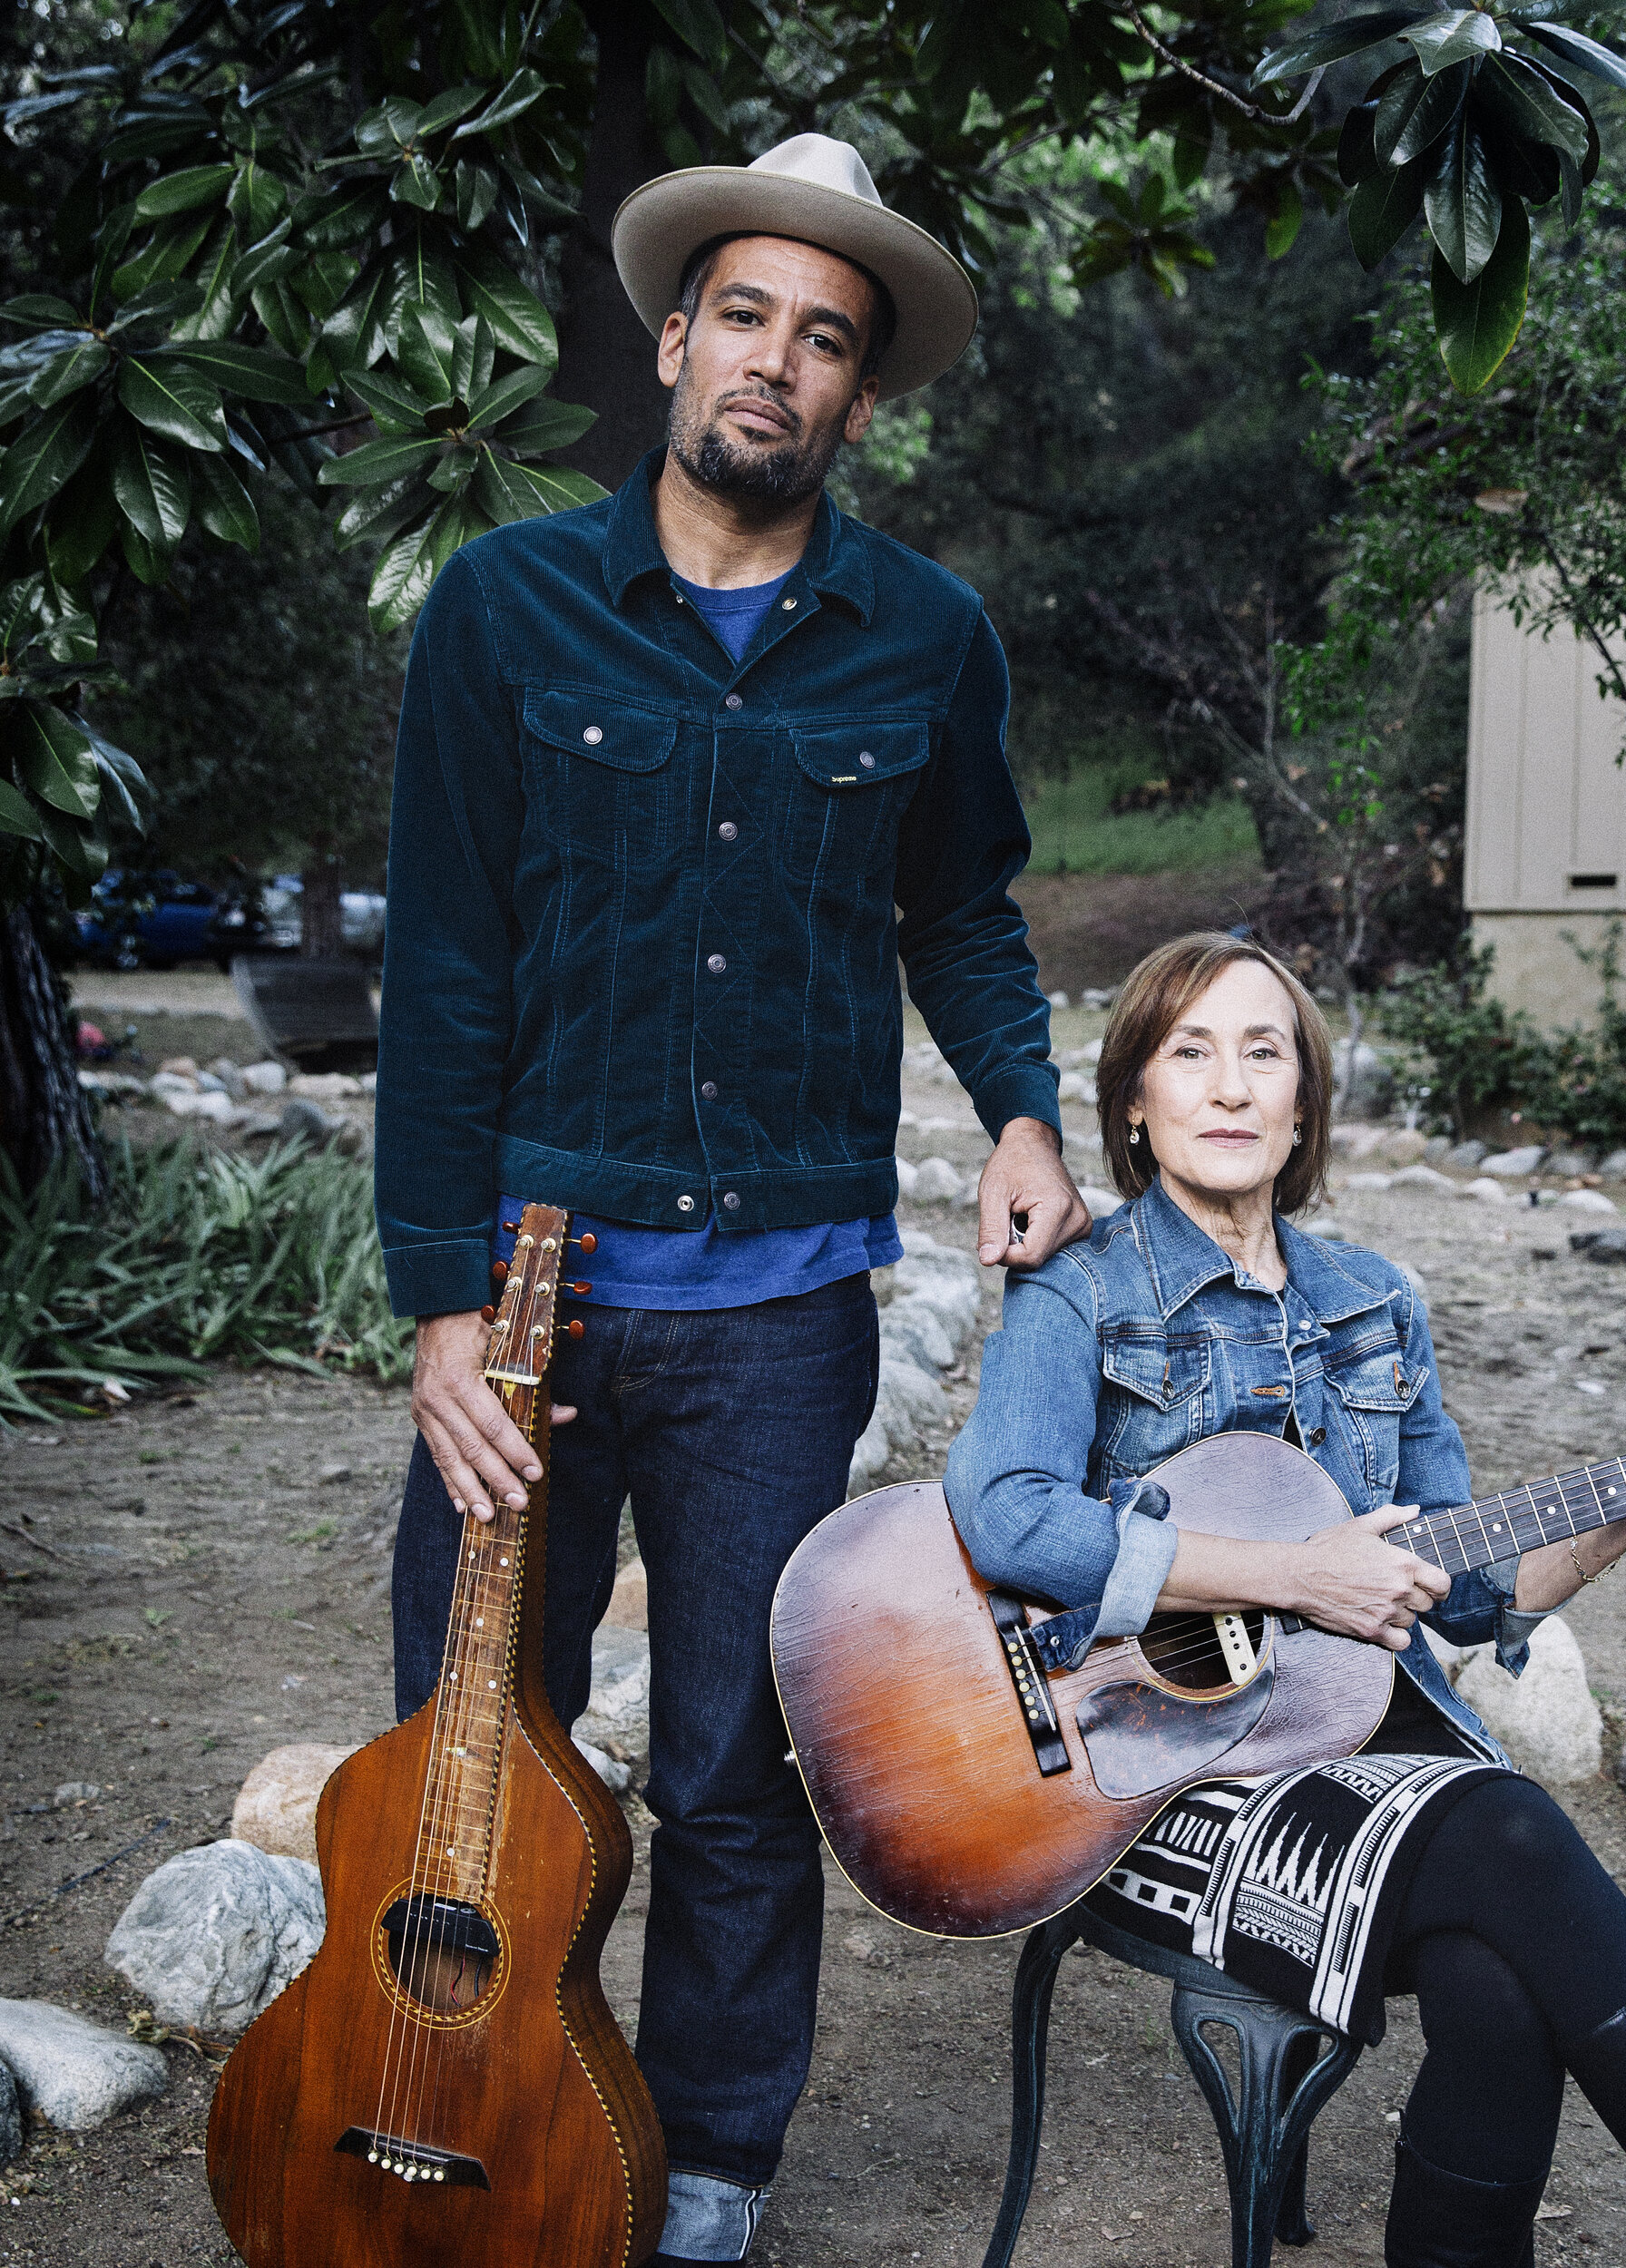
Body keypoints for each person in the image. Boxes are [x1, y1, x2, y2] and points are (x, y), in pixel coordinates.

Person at [374, 134, 1088, 2265]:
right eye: (748, 314)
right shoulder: (499, 614)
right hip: (529, 1291)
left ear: (859, 399)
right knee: (464, 1746)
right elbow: (441, 971)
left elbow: (958, 909)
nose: (778, 363)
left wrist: (1027, 1114)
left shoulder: (924, 639)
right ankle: (483, 2096)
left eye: (828, 339)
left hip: (784, 1313)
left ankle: (703, 2164)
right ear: (675, 338)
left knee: (731, 1763)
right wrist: (432, 1305)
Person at [945, 934, 1626, 2268]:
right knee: (1516, 1837)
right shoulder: (1077, 1296)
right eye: (1190, 1052)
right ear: (1133, 1099)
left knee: (1498, 1979)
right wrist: (1292, 1573)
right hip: (1137, 1776)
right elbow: (1006, 1514)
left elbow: (1472, 1590)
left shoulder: (1373, 1303)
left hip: (1354, 1750)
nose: (1232, 1086)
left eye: (1266, 1052)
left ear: (1305, 1099)